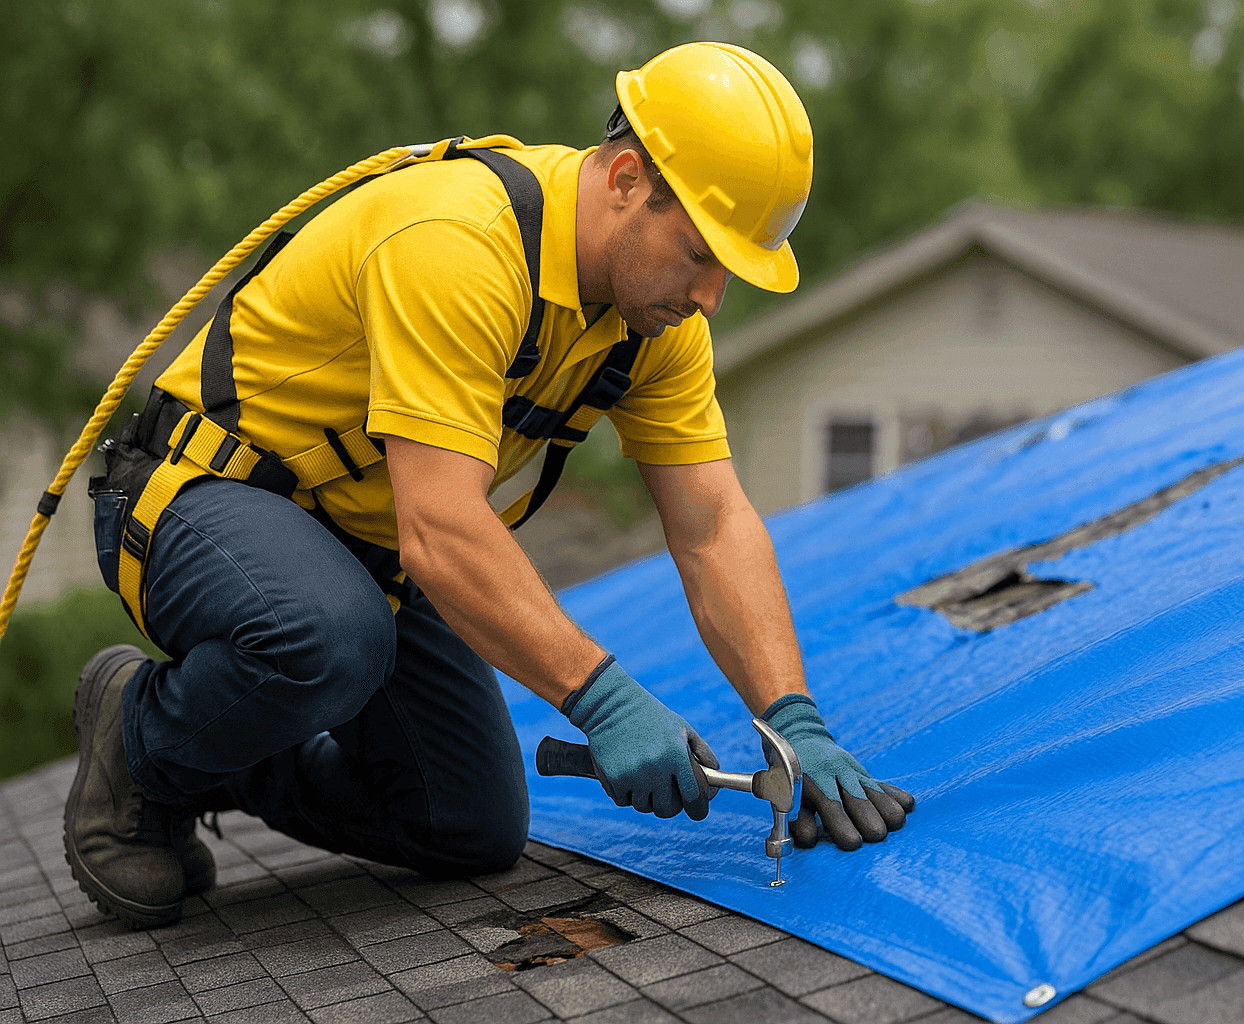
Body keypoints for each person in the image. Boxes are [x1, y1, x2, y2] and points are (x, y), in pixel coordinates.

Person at [65, 41, 915, 930]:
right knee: (330, 637)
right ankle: (140, 739)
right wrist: (606, 700)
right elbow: (439, 528)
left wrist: (793, 721)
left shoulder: (653, 322)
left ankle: (224, 757)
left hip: (371, 546)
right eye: (699, 255)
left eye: (730, 274)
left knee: (469, 824)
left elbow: (711, 528)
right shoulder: (460, 243)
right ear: (625, 178)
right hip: (200, 498)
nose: (709, 298)